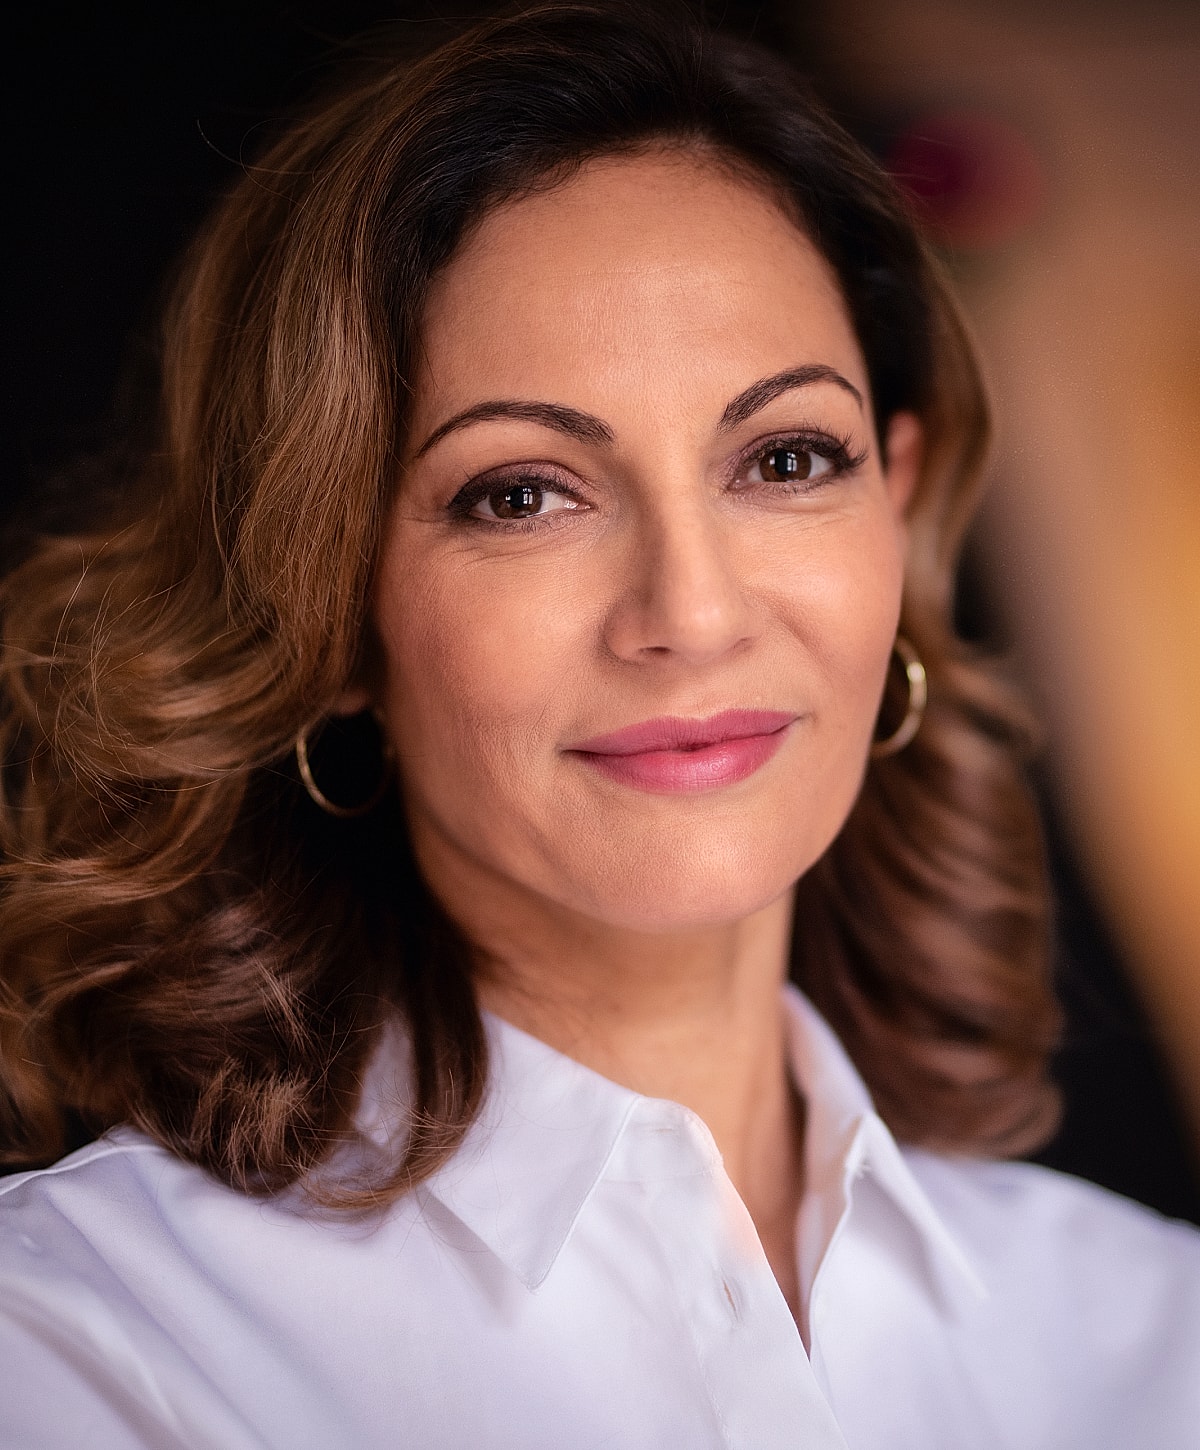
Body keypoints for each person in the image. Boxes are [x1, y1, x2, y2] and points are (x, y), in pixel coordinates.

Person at [0, 4, 1196, 1447]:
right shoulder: (84, 1340)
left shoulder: (1152, 1329)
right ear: (327, 616)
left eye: (785, 457)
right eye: (522, 491)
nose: (689, 614)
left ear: (900, 498)